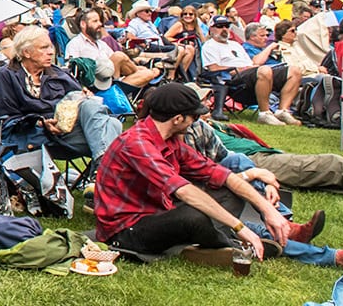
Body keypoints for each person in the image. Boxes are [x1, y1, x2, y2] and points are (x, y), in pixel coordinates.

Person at [96, 84, 303, 266]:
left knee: (230, 191)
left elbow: (220, 174)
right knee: (192, 216)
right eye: (194, 117)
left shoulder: (170, 140)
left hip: (159, 212)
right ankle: (231, 244)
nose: (197, 121)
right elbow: (184, 191)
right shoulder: (137, 144)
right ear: (177, 119)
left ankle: (211, 242)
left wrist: (268, 210)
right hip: (125, 231)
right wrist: (239, 227)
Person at [176, 118, 343, 270]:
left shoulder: (199, 127)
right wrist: (253, 174)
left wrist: (265, 180)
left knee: (238, 161)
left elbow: (226, 161)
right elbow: (192, 189)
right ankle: (338, 258)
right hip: (195, 206)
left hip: (218, 192)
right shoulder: (160, 146)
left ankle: (285, 223)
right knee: (253, 231)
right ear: (176, 118)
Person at [186, 117, 343, 208]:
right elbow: (218, 163)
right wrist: (254, 174)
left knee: (329, 180)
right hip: (258, 162)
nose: (208, 102)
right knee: (332, 166)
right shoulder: (192, 130)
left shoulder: (213, 126)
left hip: (262, 159)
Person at [0, 25, 122, 162]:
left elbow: (80, 101)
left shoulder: (58, 74)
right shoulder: (7, 75)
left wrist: (83, 96)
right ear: (26, 52)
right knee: (112, 127)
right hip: (31, 134)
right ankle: (105, 168)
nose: (50, 52)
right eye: (44, 48)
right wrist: (40, 122)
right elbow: (8, 119)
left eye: (50, 47)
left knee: (96, 110)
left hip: (64, 133)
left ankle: (101, 165)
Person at [201, 15, 303, 126]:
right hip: (234, 79)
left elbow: (251, 63)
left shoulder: (235, 45)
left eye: (227, 26)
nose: (224, 29)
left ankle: (282, 111)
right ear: (211, 29)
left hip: (252, 73)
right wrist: (240, 69)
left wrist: (250, 67)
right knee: (264, 70)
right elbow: (213, 68)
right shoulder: (209, 46)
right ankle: (264, 114)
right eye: (220, 26)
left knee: (294, 71)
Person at [65, 8, 159, 95]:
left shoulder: (101, 44)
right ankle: (136, 72)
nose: (100, 24)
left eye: (99, 21)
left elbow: (120, 65)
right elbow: (72, 72)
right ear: (83, 24)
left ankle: (115, 90)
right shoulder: (75, 44)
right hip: (95, 86)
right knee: (119, 56)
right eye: (95, 21)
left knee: (148, 74)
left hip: (113, 80)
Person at [163, 5, 205, 79]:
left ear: (195, 16)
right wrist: (179, 42)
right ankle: (172, 75)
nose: (187, 16)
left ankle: (182, 75)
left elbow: (202, 39)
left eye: (190, 14)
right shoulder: (179, 25)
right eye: (185, 14)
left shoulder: (196, 26)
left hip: (192, 49)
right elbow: (166, 37)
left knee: (191, 49)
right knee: (188, 49)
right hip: (178, 47)